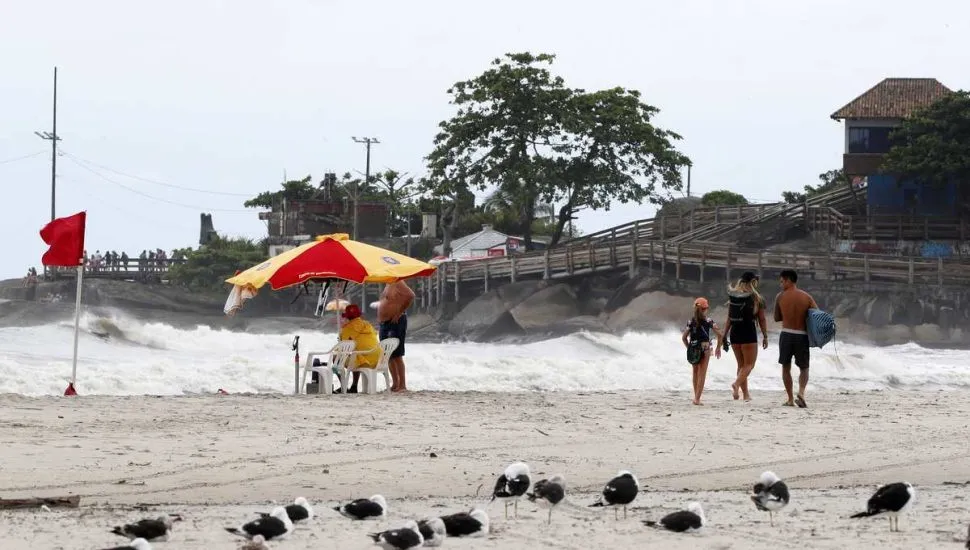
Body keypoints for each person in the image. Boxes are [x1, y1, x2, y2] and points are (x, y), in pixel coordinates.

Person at [773, 269, 818, 408]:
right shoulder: (807, 297)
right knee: (804, 367)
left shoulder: (780, 296)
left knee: (786, 367)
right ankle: (802, 393)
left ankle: (790, 399)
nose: (781, 284)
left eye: (782, 281)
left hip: (786, 334)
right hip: (802, 335)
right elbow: (817, 316)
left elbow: (776, 318)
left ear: (788, 280)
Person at [723, 271, 768, 401]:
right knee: (749, 365)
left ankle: (745, 394)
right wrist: (765, 336)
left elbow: (729, 318)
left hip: (734, 333)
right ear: (753, 282)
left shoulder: (734, 296)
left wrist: (724, 335)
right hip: (748, 332)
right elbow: (762, 319)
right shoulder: (757, 298)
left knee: (741, 365)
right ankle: (736, 384)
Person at [681, 297, 723, 406]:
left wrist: (689, 348)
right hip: (705, 348)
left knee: (695, 372)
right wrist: (718, 347)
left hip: (693, 348)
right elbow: (720, 335)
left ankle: (696, 397)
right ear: (706, 308)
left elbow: (684, 338)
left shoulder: (690, 322)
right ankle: (697, 399)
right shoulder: (709, 321)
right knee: (702, 374)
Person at [378, 280, 414, 392]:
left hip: (395, 322)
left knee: (397, 354)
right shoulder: (388, 283)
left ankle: (402, 385)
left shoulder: (397, 281)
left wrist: (398, 313)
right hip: (385, 323)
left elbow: (410, 295)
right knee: (388, 354)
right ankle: (395, 384)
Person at [337, 303, 381, 394]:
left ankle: (343, 387)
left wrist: (341, 335)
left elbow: (344, 348)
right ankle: (354, 386)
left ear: (347, 317)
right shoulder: (367, 324)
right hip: (378, 359)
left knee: (336, 359)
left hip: (365, 361)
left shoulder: (348, 328)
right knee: (356, 356)